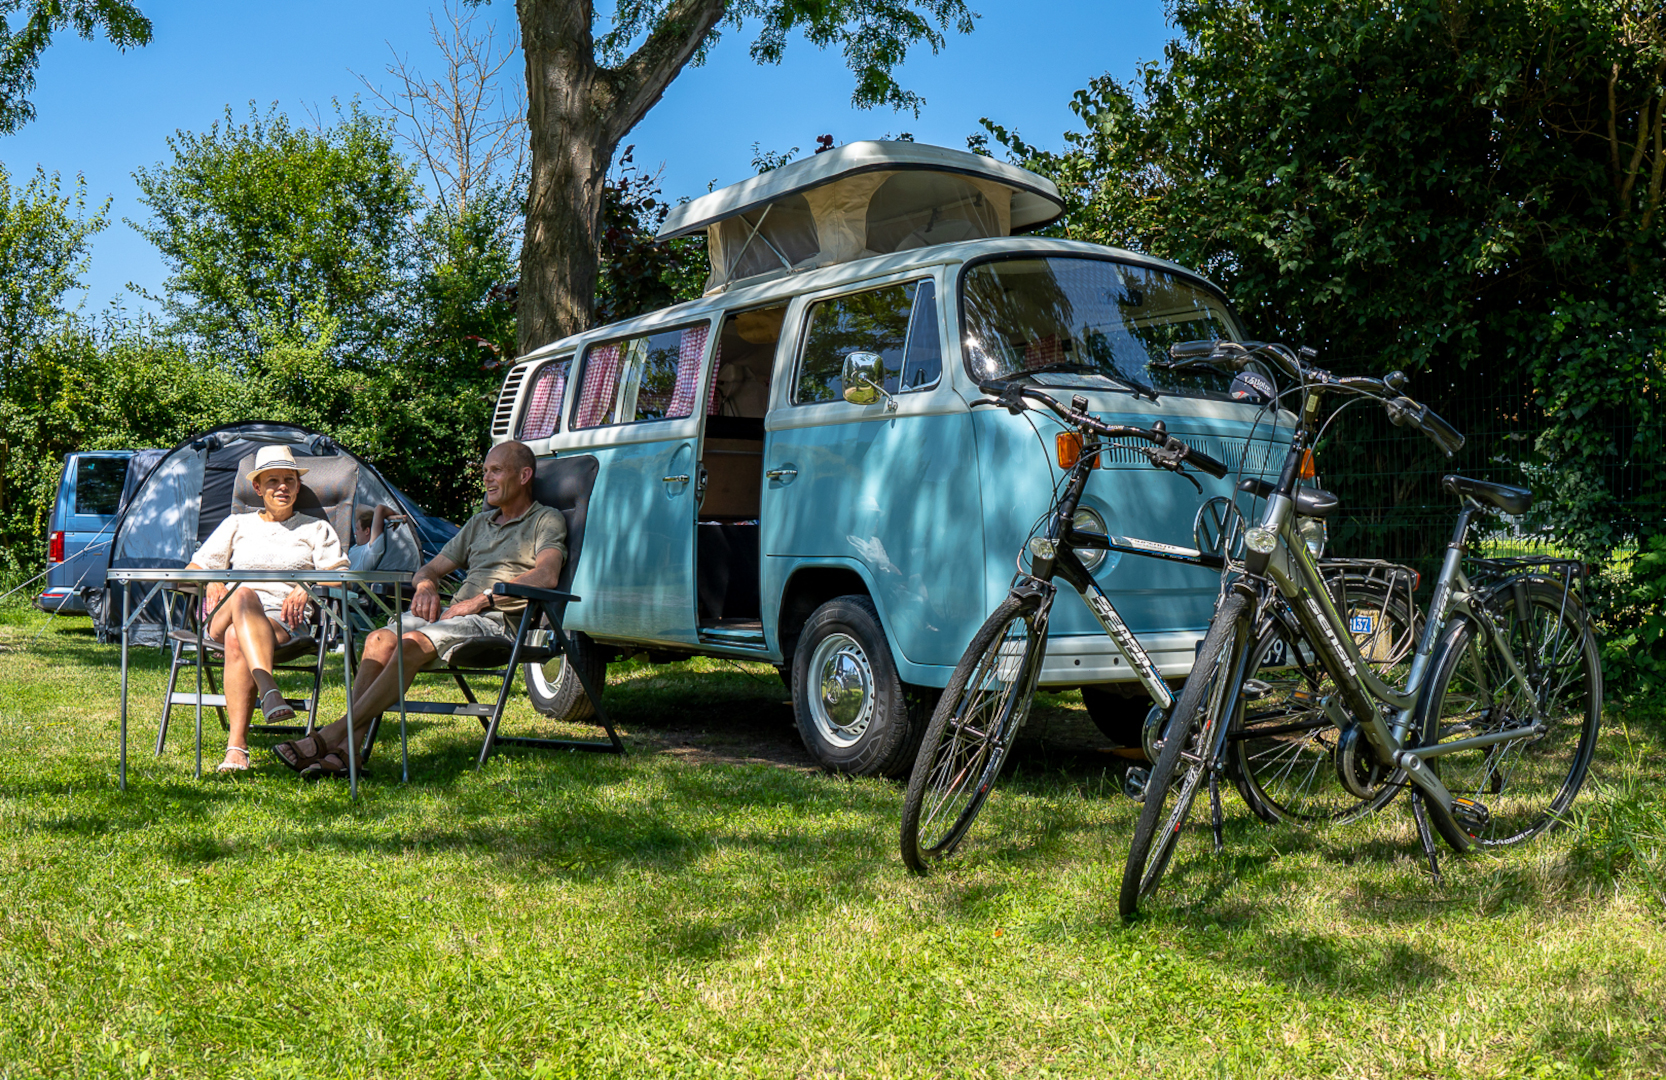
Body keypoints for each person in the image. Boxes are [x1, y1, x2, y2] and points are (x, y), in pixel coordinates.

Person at [272, 440, 565, 777]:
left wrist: (481, 599)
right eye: (485, 471)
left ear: (525, 474)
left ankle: (330, 736)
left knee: (410, 644)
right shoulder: (478, 524)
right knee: (378, 641)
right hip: (454, 617)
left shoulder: (546, 519)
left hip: (495, 621)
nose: (486, 478)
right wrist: (426, 584)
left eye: (495, 470)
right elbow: (429, 568)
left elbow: (547, 573)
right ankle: (347, 753)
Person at [185, 445, 348, 772]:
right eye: (272, 480)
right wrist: (213, 579)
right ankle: (269, 689)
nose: (282, 487)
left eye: (289, 480)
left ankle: (236, 750)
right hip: (227, 610)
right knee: (244, 594)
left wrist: (308, 585)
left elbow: (341, 578)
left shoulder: (315, 529)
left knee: (236, 638)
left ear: (298, 486)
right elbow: (192, 569)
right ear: (257, 488)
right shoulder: (237, 523)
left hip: (280, 623)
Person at [348, 503, 405, 572]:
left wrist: (395, 514)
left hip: (347, 581)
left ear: (367, 531)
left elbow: (380, 508)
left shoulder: (372, 549)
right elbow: (358, 508)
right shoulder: (358, 545)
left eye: (357, 529)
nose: (355, 533)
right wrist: (387, 517)